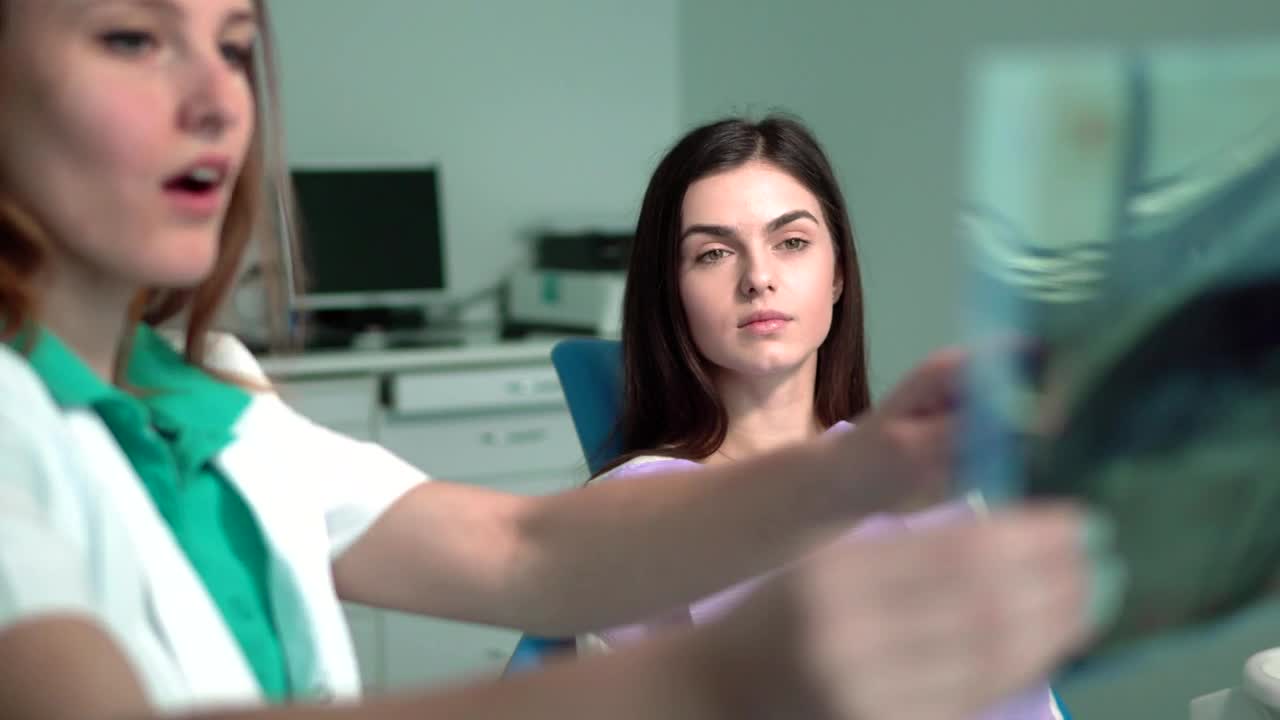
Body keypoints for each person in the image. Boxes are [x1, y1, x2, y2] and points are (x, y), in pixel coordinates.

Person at [0, 1, 1121, 719]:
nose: (216, 98)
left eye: (238, 47)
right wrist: (720, 681)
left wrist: (874, 466)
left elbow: (520, 547)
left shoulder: (213, 399)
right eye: (131, 38)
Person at [578, 116, 1079, 719]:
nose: (758, 278)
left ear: (838, 272)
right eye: (713, 253)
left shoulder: (922, 478)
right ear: (672, 292)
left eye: (791, 242)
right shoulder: (640, 510)